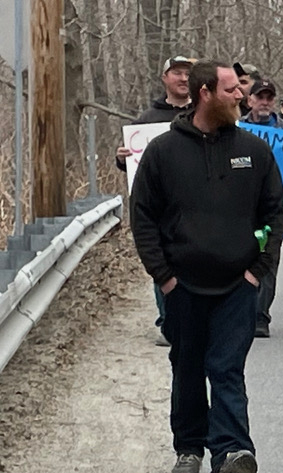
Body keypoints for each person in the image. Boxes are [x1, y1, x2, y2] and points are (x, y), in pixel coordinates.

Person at [130, 59, 283, 473]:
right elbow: (142, 217)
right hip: (183, 285)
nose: (242, 96)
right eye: (232, 89)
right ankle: (189, 446)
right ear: (205, 94)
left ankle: (232, 452)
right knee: (187, 366)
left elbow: (274, 211)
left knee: (227, 367)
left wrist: (258, 270)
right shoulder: (163, 152)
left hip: (238, 285)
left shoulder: (254, 151)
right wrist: (163, 276)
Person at [115, 55, 195, 348]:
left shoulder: (202, 115)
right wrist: (121, 158)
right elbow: (133, 168)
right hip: (159, 209)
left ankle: (190, 318)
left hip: (196, 205)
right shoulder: (145, 122)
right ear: (165, 78)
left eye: (188, 73)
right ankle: (167, 320)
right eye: (177, 73)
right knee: (162, 263)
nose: (183, 79)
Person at [240, 79, 283, 338]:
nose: (264, 102)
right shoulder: (236, 127)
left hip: (272, 207)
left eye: (269, 98)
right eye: (259, 97)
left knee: (268, 259)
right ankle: (240, 312)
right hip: (240, 206)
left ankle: (261, 316)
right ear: (249, 100)